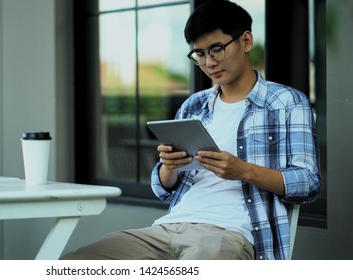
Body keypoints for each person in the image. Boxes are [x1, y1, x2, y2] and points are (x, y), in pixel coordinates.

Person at [62, 0, 320, 260]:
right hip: (168, 228)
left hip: (229, 234)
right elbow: (164, 188)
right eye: (199, 54)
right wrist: (169, 166)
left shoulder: (286, 102)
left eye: (216, 49)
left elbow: (308, 183)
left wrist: (243, 170)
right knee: (74, 263)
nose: (209, 63)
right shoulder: (193, 106)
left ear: (246, 41)